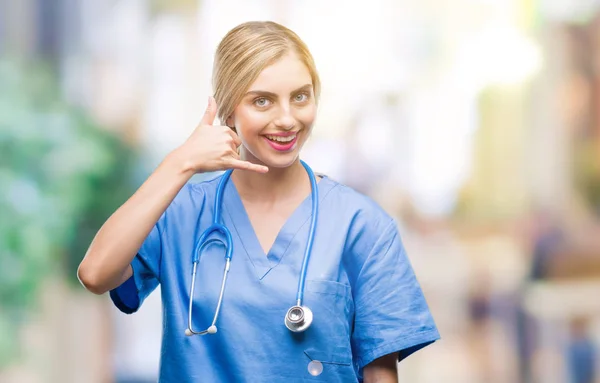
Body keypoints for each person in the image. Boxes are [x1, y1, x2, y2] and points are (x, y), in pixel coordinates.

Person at [77, 20, 440, 383]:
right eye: (262, 100)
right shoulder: (181, 211)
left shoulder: (362, 226)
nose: (286, 119)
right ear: (229, 111)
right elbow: (95, 274)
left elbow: (380, 375)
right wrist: (180, 162)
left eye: (300, 96)